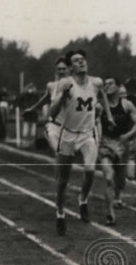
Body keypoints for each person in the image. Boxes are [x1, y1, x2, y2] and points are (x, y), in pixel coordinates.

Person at [46, 49, 113, 234]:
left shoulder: (96, 82)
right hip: (68, 135)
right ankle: (60, 214)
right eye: (76, 60)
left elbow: (103, 97)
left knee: (90, 170)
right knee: (63, 180)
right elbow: (52, 113)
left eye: (83, 59)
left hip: (87, 134)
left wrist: (108, 115)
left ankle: (82, 200)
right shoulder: (65, 83)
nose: (82, 62)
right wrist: (62, 96)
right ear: (70, 67)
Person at [97, 76, 136, 225]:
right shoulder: (100, 106)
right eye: (105, 84)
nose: (107, 86)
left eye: (110, 84)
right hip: (106, 144)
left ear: (118, 86)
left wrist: (128, 136)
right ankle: (110, 213)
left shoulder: (127, 105)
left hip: (122, 145)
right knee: (108, 178)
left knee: (120, 181)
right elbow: (93, 123)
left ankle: (117, 196)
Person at [23, 57, 70, 150]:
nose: (61, 71)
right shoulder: (51, 86)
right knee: (58, 151)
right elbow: (46, 98)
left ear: (69, 69)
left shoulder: (74, 85)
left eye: (64, 69)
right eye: (59, 69)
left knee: (68, 153)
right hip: (55, 125)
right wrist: (32, 109)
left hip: (71, 127)